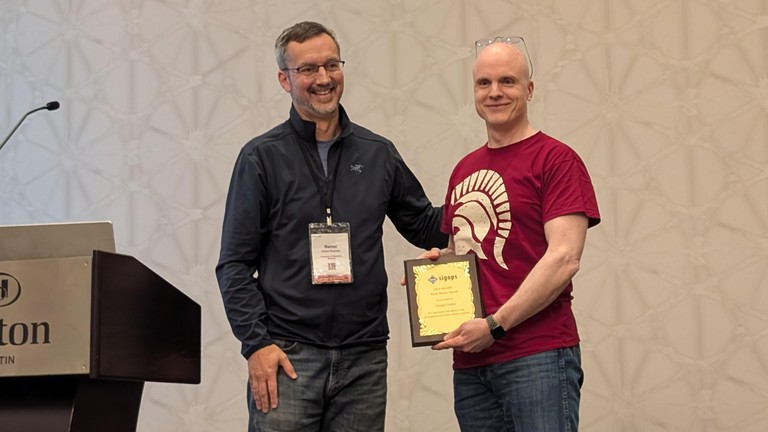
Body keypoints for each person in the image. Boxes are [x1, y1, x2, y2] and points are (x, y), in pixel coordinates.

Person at [215, 21, 447, 432]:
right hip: (288, 356)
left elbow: (427, 226)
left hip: (365, 358)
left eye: (331, 65)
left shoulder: (378, 154)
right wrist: (257, 345)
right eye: (307, 69)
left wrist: (487, 189)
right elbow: (233, 264)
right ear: (284, 80)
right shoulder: (259, 159)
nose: (323, 79)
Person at [426, 36, 601, 431]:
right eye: (483, 83)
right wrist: (435, 268)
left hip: (536, 355)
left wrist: (495, 325)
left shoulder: (556, 160)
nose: (495, 92)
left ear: (529, 89)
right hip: (471, 364)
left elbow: (564, 259)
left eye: (507, 81)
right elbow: (463, 253)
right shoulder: (463, 169)